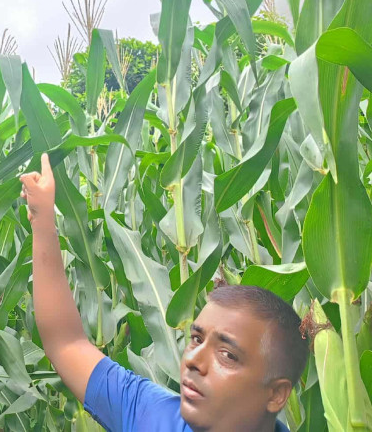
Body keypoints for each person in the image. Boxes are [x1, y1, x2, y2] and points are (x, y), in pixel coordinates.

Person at [21, 153, 309, 432]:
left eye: (227, 355)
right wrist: (43, 221)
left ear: (276, 394)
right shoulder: (151, 414)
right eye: (196, 339)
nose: (194, 361)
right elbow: (66, 344)